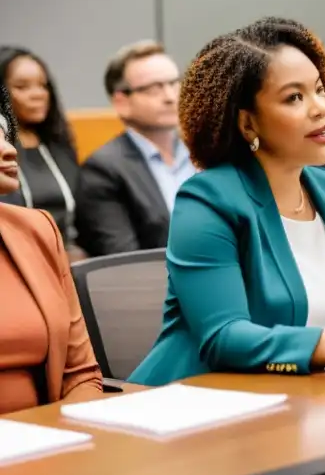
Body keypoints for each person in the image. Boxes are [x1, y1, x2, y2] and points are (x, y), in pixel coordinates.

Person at [129, 18, 325, 386]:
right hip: (202, 406)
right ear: (248, 124)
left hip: (314, 399)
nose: (320, 108)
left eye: (318, 89)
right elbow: (224, 338)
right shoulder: (207, 201)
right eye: (294, 97)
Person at [0, 83, 102, 414]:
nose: (10, 149)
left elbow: (82, 376)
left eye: (5, 134)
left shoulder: (37, 230)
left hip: (48, 442)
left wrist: (63, 439)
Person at [75, 41, 197, 257]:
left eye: (174, 83)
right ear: (122, 102)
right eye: (153, 88)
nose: (170, 97)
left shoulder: (207, 153)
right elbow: (123, 263)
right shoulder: (103, 170)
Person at [0, 47, 80, 248]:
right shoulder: (3, 152)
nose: (38, 95)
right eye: (22, 87)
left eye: (43, 86)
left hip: (62, 257)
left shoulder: (59, 145)